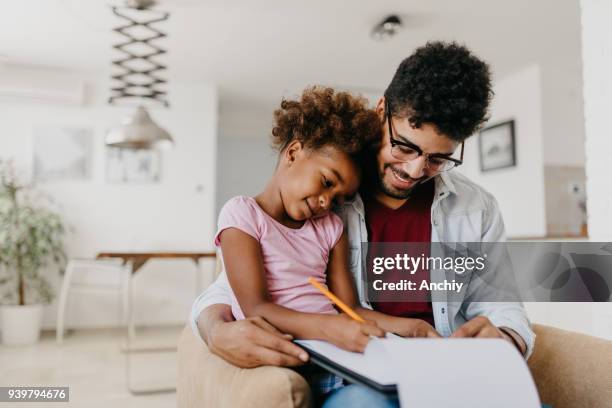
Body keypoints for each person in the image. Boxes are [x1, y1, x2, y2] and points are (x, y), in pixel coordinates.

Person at [191, 41, 535, 407]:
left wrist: (506, 337)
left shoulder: (476, 208)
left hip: (442, 373)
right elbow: (234, 288)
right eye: (405, 146)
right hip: (361, 376)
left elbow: (503, 305)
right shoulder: (326, 196)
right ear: (382, 110)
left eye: (438, 159)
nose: (414, 171)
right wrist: (215, 328)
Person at [215, 86, 447, 404]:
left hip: (340, 356)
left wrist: (414, 328)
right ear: (293, 153)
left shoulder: (330, 228)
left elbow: (350, 309)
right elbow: (256, 308)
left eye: (339, 198)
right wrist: (329, 328)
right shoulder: (242, 214)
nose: (327, 202)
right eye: (326, 181)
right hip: (298, 355)